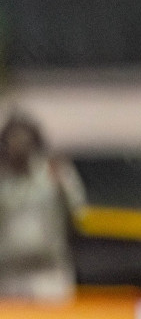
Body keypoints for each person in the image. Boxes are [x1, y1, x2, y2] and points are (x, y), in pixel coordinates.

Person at [0, 113, 85, 301]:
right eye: (12, 139)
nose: (17, 145)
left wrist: (62, 186)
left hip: (47, 275)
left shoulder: (52, 172)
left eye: (23, 139)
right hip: (7, 276)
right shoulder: (2, 179)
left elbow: (79, 214)